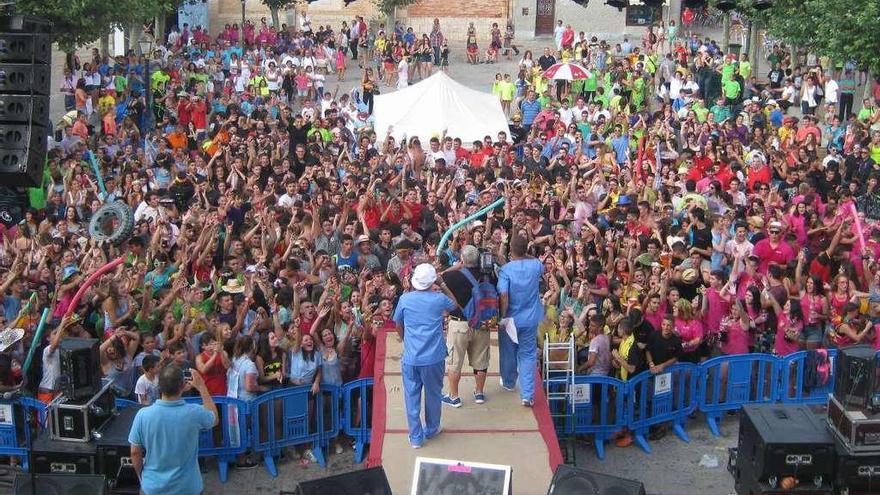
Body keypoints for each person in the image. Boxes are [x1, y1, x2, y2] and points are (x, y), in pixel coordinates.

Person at [392, 263, 458, 448]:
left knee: (411, 396)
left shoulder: (405, 299)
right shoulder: (438, 299)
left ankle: (415, 437)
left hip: (411, 357)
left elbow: (398, 324)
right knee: (433, 394)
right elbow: (454, 304)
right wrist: (442, 283)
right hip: (433, 358)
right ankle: (432, 428)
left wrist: (406, 340)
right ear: (432, 281)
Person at [128, 365, 218, 495]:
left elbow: (135, 452)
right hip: (188, 488)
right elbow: (214, 418)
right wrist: (202, 386)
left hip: (153, 487)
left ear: (159, 386)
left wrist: (141, 477)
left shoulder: (143, 415)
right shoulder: (194, 412)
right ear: (183, 386)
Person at [440, 245, 492, 407]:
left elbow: (438, 277)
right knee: (481, 360)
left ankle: (454, 396)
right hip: (481, 323)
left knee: (454, 361)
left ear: (462, 259)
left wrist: (455, 266)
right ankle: (479, 393)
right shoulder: (488, 276)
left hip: (459, 324)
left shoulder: (452, 276)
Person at [497, 234, 544, 407]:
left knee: (508, 351)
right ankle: (527, 395)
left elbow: (503, 295)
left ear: (510, 251)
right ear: (527, 250)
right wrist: (526, 253)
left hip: (511, 318)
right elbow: (537, 262)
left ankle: (509, 382)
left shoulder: (506, 270)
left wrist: (503, 316)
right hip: (530, 319)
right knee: (527, 355)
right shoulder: (536, 265)